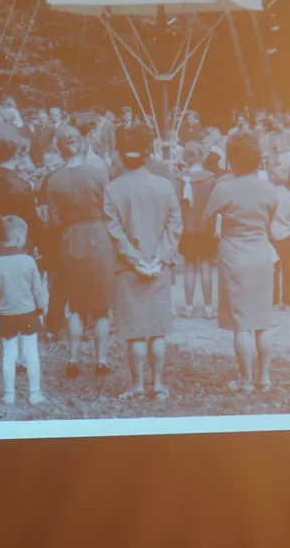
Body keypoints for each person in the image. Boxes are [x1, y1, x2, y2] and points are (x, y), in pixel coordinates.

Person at [105, 124, 183, 400]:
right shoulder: (164, 186)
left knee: (136, 332)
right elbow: (175, 225)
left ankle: (137, 385)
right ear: (148, 152)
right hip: (158, 266)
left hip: (129, 269)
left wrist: (136, 260)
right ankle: (158, 384)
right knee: (157, 329)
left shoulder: (113, 189)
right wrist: (160, 259)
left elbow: (114, 231)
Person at [201, 131, 280, 392]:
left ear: (231, 159)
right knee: (263, 319)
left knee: (242, 322)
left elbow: (206, 220)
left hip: (234, 253)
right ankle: (265, 377)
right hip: (261, 251)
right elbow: (270, 218)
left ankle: (245, 379)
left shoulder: (223, 188)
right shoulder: (269, 188)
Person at [44, 125, 116, 377]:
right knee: (101, 306)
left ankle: (73, 359)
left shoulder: (53, 181)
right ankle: (101, 360)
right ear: (81, 144)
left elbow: (53, 220)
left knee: (75, 305)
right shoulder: (98, 173)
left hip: (71, 239)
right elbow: (110, 209)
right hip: (99, 235)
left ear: (59, 149)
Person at [0, 216, 48, 405]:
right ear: (19, 237)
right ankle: (35, 393)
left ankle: (9, 394)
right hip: (28, 312)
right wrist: (41, 309)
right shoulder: (28, 261)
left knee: (8, 353)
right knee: (31, 351)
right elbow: (37, 290)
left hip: (6, 315)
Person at [174, 142, 218, 318]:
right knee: (206, 266)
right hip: (206, 228)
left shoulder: (179, 179)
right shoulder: (211, 178)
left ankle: (189, 306)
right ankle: (208, 307)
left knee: (190, 267)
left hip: (188, 228)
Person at [269, 166, 290, 312]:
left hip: (271, 234)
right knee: (289, 268)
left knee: (273, 268)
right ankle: (287, 301)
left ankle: (273, 298)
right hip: (287, 234)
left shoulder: (269, 194)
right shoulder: (289, 196)